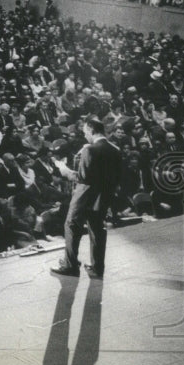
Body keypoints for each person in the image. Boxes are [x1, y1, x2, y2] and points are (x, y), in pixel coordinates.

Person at [50, 116, 123, 278]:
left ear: (90, 130)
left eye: (85, 132)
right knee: (97, 229)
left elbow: (82, 177)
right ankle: (97, 267)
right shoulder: (115, 150)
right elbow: (116, 177)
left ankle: (70, 265)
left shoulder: (89, 150)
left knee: (71, 225)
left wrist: (63, 169)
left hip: (84, 196)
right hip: (103, 198)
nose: (85, 136)